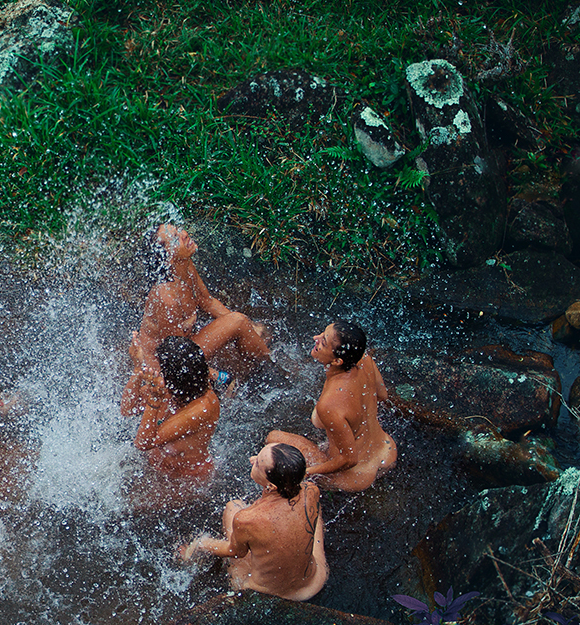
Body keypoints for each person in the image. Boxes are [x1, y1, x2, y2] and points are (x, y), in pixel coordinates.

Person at [180, 443, 327, 601]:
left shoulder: (247, 519)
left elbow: (235, 552)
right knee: (314, 513)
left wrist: (202, 544)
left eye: (257, 463)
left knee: (233, 507)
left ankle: (190, 557)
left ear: (271, 486)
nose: (252, 460)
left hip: (265, 595)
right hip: (313, 583)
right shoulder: (311, 490)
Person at [132, 223, 270, 389]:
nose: (184, 234)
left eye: (178, 230)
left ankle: (264, 367)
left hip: (185, 343)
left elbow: (206, 301)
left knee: (251, 328)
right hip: (163, 365)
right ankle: (271, 370)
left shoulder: (184, 265)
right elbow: (177, 355)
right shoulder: (166, 298)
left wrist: (250, 327)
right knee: (238, 321)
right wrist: (220, 377)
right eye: (176, 239)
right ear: (168, 258)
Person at [266, 320, 396, 492]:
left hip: (355, 477)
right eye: (322, 334)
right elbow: (382, 395)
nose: (315, 338)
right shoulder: (364, 358)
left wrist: (308, 472)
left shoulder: (330, 404)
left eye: (323, 342)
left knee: (272, 439)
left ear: (337, 361)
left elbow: (349, 459)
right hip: (386, 453)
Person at [122, 335, 220, 479]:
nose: (159, 371)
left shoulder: (201, 408)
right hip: (157, 468)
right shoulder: (174, 386)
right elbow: (128, 409)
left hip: (185, 480)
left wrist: (154, 400)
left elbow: (143, 443)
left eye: (162, 368)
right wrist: (138, 369)